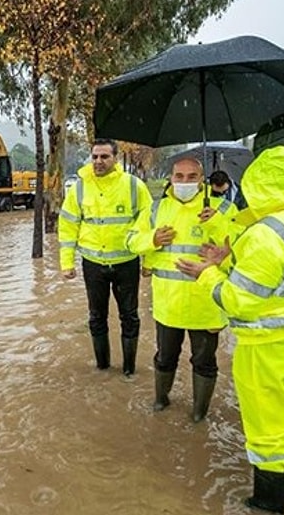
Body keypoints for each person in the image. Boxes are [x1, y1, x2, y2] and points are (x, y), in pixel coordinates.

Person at [177, 146, 284, 513]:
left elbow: (238, 300)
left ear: (259, 184)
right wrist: (228, 260)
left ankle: (267, 504)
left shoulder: (267, 234)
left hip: (269, 348)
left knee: (268, 433)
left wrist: (208, 274)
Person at [126, 157, 237, 420]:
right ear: (170, 179)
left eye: (191, 177)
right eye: (179, 176)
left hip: (206, 304)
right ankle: (161, 400)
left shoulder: (224, 209)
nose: (184, 182)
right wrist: (152, 239)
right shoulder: (156, 209)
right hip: (168, 303)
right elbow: (130, 240)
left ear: (202, 180)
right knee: (165, 357)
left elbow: (240, 251)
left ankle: (199, 413)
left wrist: (217, 223)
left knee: (205, 362)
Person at [58, 138, 153, 376]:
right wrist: (66, 262)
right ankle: (103, 367)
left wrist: (148, 261)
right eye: (95, 157)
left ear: (115, 158)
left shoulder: (133, 186)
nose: (98, 161)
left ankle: (129, 370)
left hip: (126, 264)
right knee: (96, 317)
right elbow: (68, 225)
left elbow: (148, 224)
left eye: (104, 156)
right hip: (93, 265)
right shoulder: (79, 188)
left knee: (129, 317)